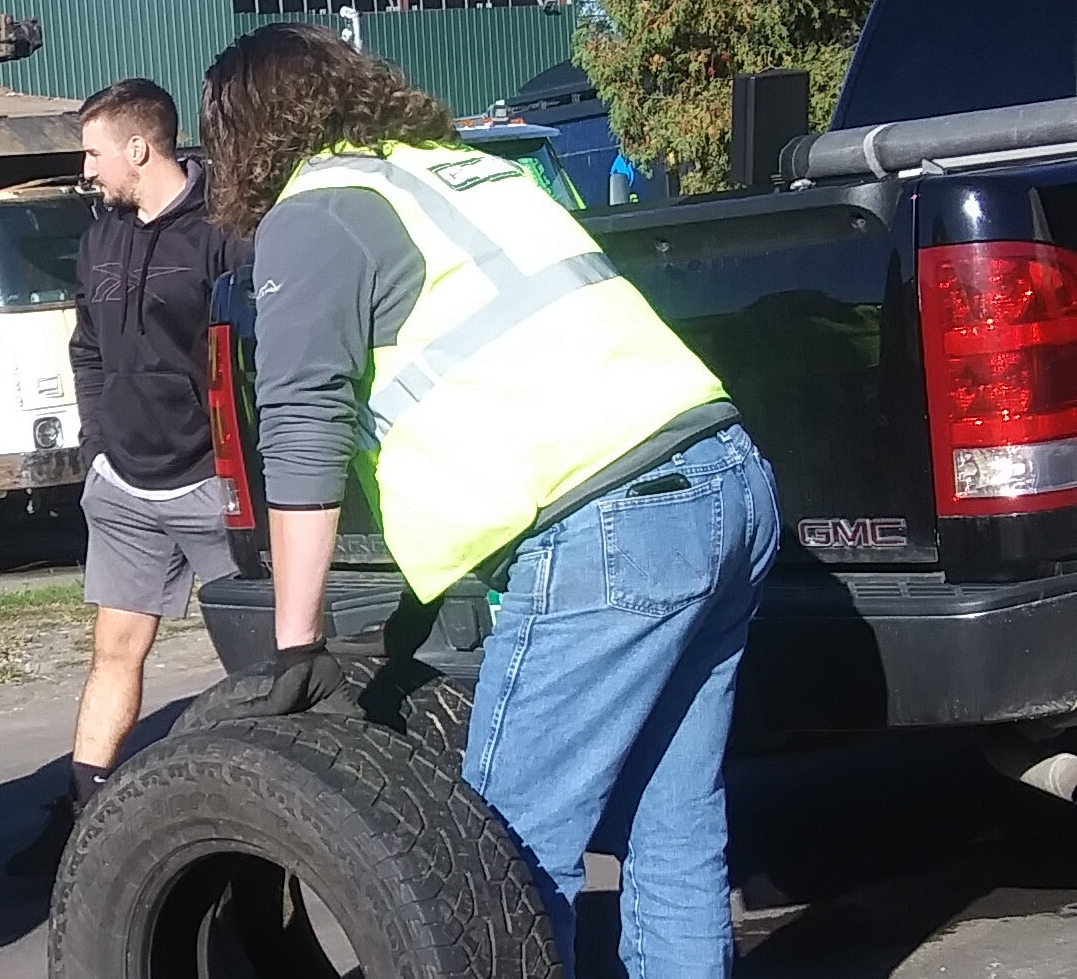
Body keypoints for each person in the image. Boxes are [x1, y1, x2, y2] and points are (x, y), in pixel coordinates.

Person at [201, 24, 777, 976]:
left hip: (608, 524)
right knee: (673, 836)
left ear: (245, 129)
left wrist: (296, 641)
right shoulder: (465, 174)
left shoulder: (318, 211)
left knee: (488, 859)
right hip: (726, 476)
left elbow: (303, 426)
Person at [8, 78, 248, 877]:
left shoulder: (225, 229)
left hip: (212, 482)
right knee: (113, 652)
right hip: (125, 484)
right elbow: (87, 348)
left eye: (93, 150)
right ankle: (85, 815)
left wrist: (235, 458)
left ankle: (272, 813)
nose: (87, 167)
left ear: (139, 147)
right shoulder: (99, 236)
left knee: (256, 655)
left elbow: (252, 351)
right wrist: (97, 443)